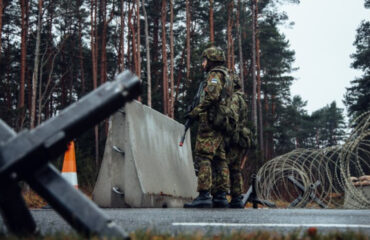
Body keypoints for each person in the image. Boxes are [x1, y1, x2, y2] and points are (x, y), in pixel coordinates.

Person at [184, 46, 230, 208]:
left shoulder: (215, 75)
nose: (203, 64)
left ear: (211, 60)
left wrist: (195, 112)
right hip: (220, 122)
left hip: (210, 123)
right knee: (219, 159)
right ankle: (220, 196)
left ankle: (204, 195)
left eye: (204, 60)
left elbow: (211, 96)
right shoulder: (226, 75)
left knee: (204, 156)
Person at [225, 74, 251, 208]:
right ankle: (236, 197)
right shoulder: (242, 99)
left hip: (234, 138)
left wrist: (228, 133)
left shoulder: (235, 98)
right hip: (240, 138)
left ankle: (224, 196)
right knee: (235, 169)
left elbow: (232, 117)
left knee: (225, 165)